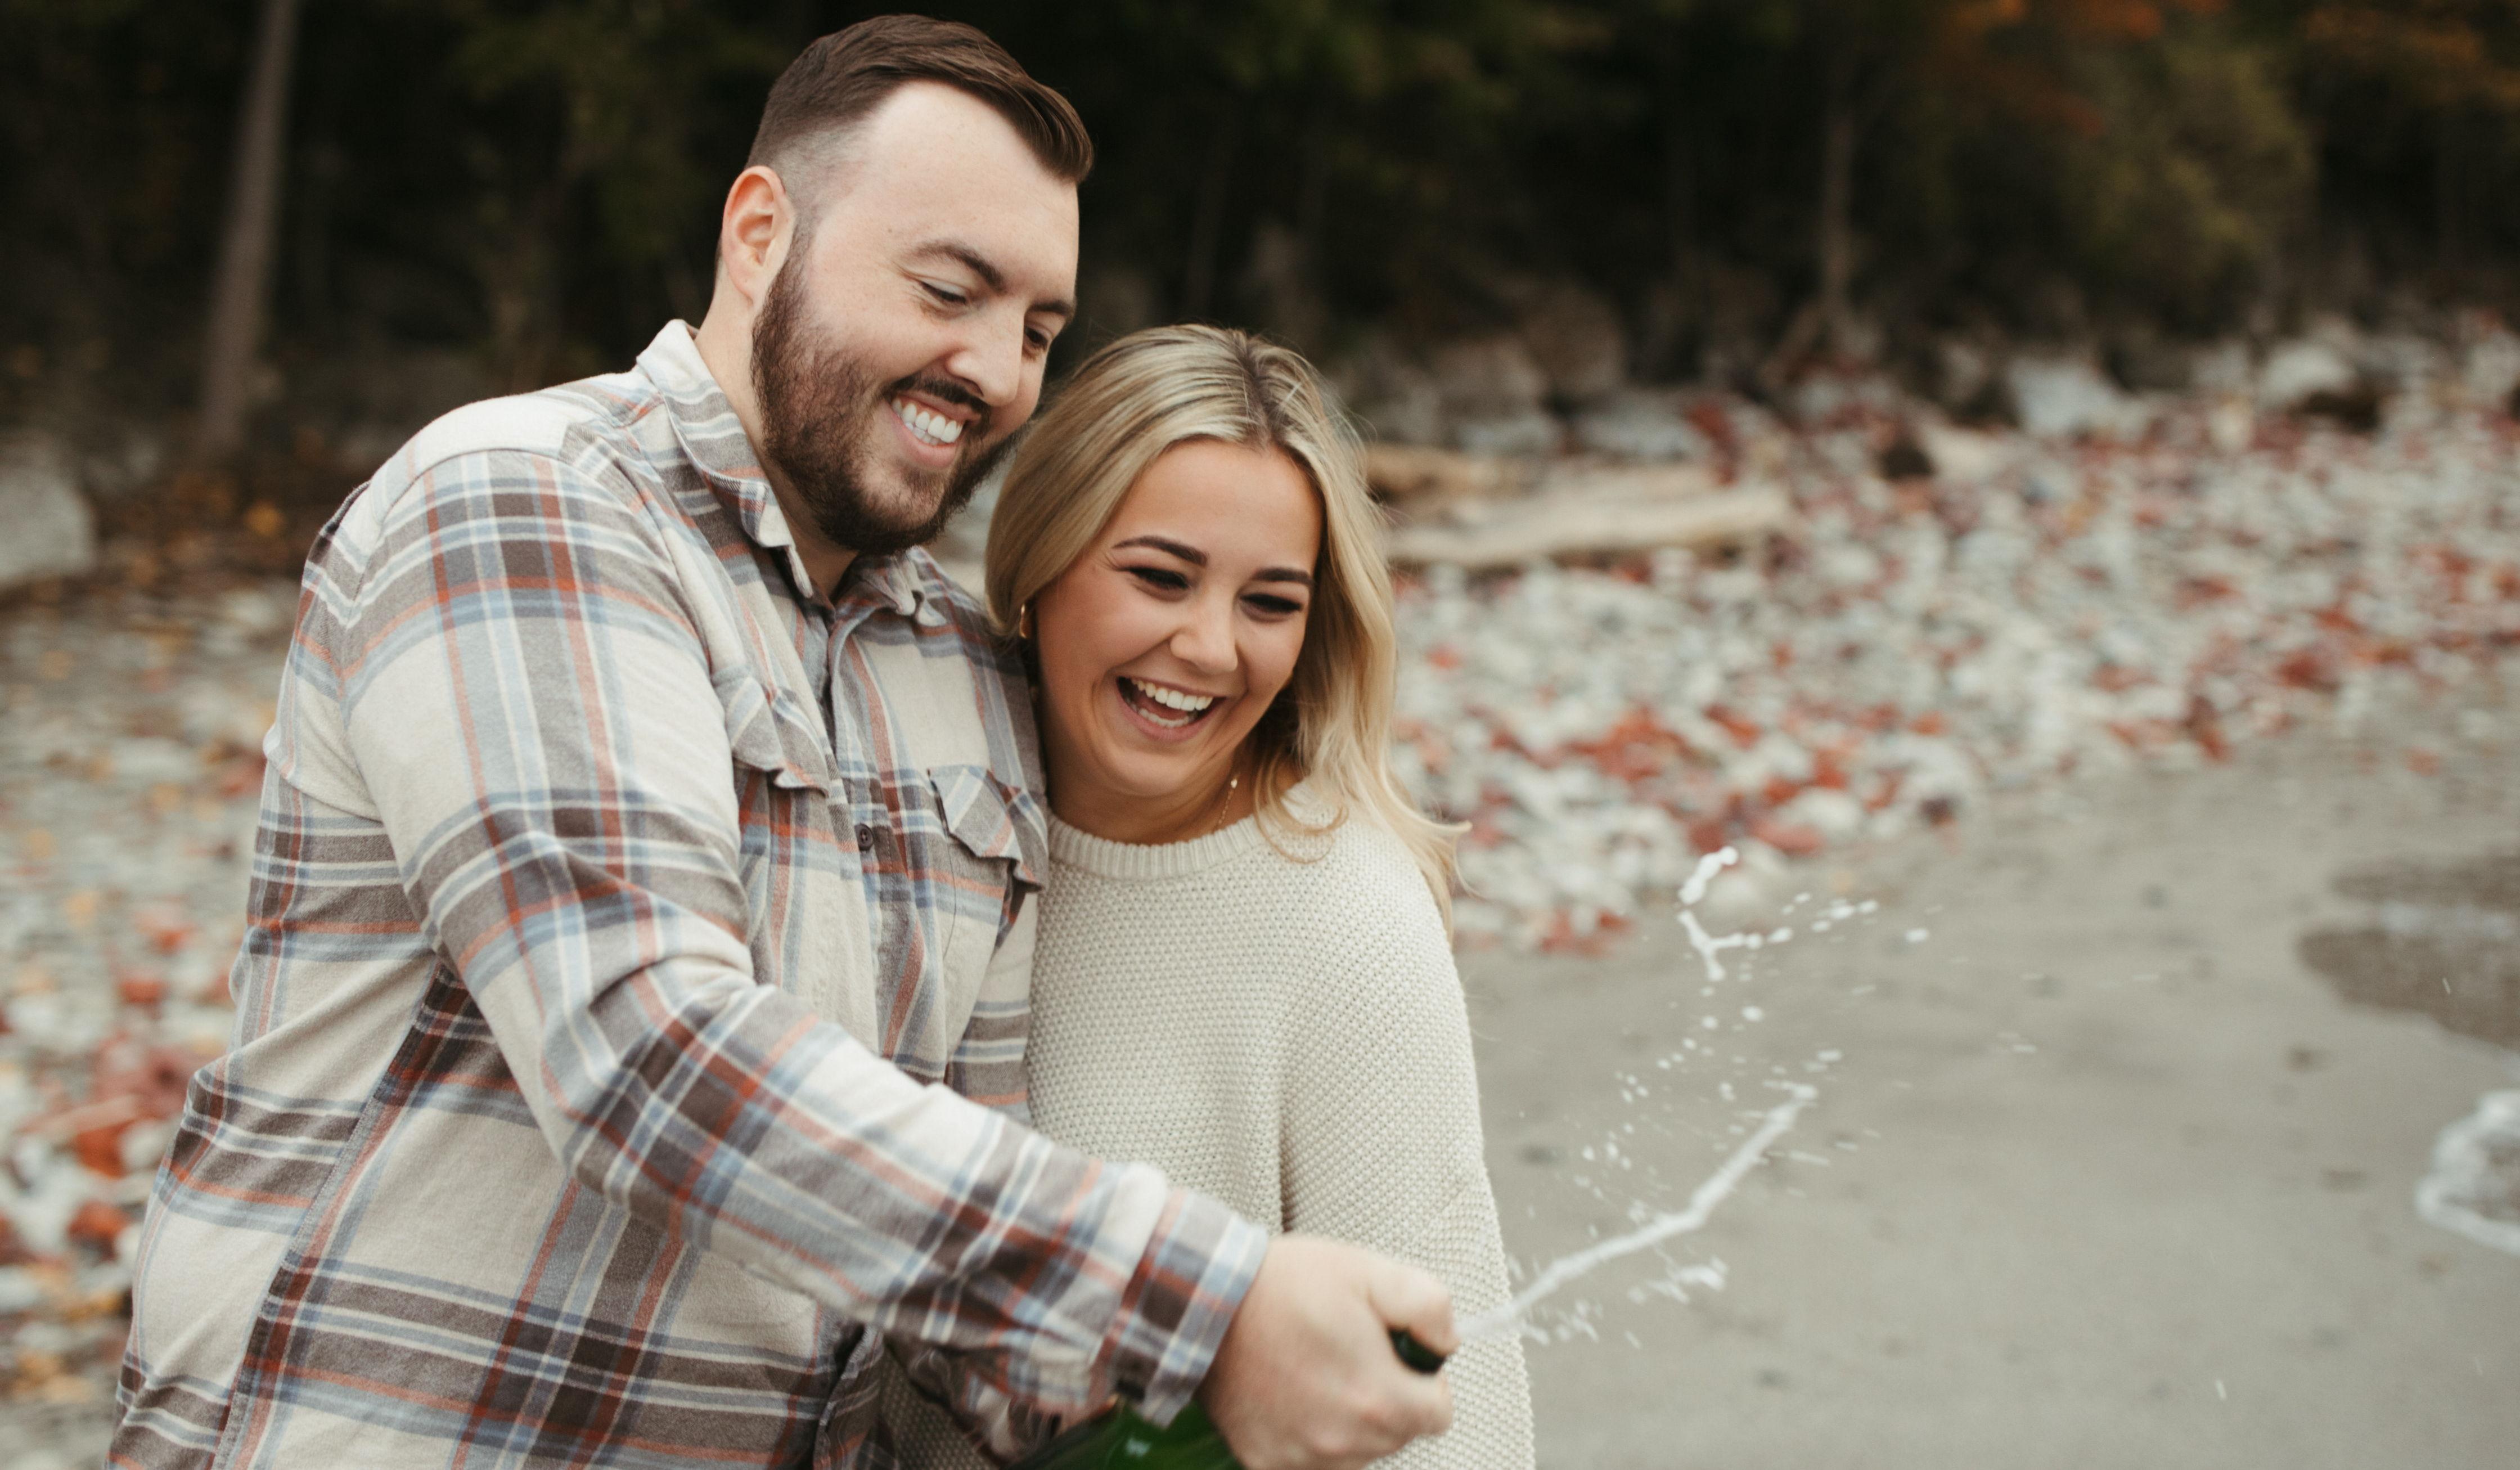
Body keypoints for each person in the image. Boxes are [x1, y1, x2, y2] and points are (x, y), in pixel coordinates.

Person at [111, 19, 1454, 1470]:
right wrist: (1204, 1302)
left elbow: (956, 1278)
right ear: (760, 234)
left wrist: (1179, 1410)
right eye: (949, 289)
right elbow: (641, 1052)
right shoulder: (526, 503)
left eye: (1036, 331)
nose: (994, 369)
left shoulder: (960, 672)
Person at [884, 327, 1534, 1468]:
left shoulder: (1349, 923)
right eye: (1159, 577)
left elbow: (1451, 1416)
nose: (1208, 646)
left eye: (1269, 602)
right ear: (1041, 560)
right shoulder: (905, 808)